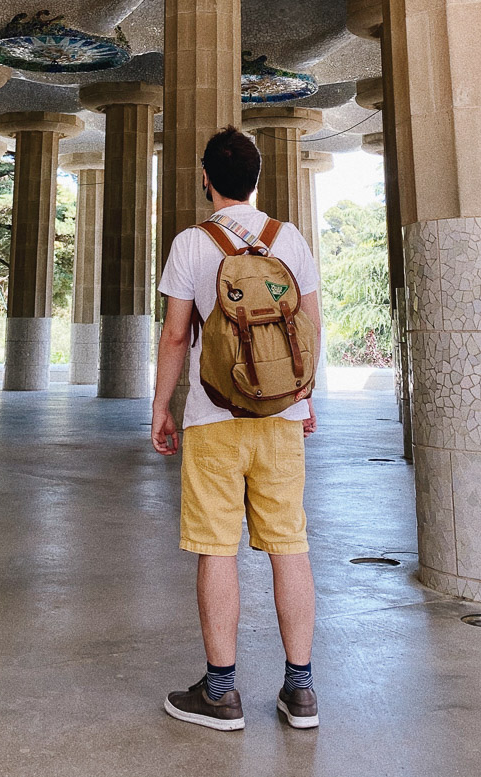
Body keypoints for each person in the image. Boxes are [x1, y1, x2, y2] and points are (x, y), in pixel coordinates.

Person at [152, 125, 322, 732]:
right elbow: (309, 326)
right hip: (280, 417)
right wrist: (303, 397)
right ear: (257, 179)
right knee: (289, 546)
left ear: (206, 179)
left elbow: (176, 336)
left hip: (211, 418)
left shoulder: (192, 244)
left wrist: (161, 408)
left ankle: (221, 691)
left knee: (215, 548)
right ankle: (300, 688)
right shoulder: (289, 240)